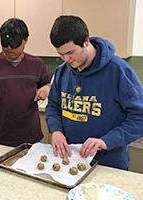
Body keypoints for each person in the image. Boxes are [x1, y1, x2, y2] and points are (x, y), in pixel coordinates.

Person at [45, 15, 143, 170]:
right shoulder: (62, 72)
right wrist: (56, 130)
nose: (66, 59)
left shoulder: (118, 71)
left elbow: (140, 117)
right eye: (60, 54)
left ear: (86, 41)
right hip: (70, 161)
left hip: (109, 165)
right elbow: (53, 107)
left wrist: (106, 141)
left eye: (70, 52)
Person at [0, 18, 51, 147]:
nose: (8, 47)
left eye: (14, 43)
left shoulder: (37, 64)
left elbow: (46, 84)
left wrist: (47, 88)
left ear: (25, 40)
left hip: (32, 136)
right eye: (5, 42)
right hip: (2, 138)